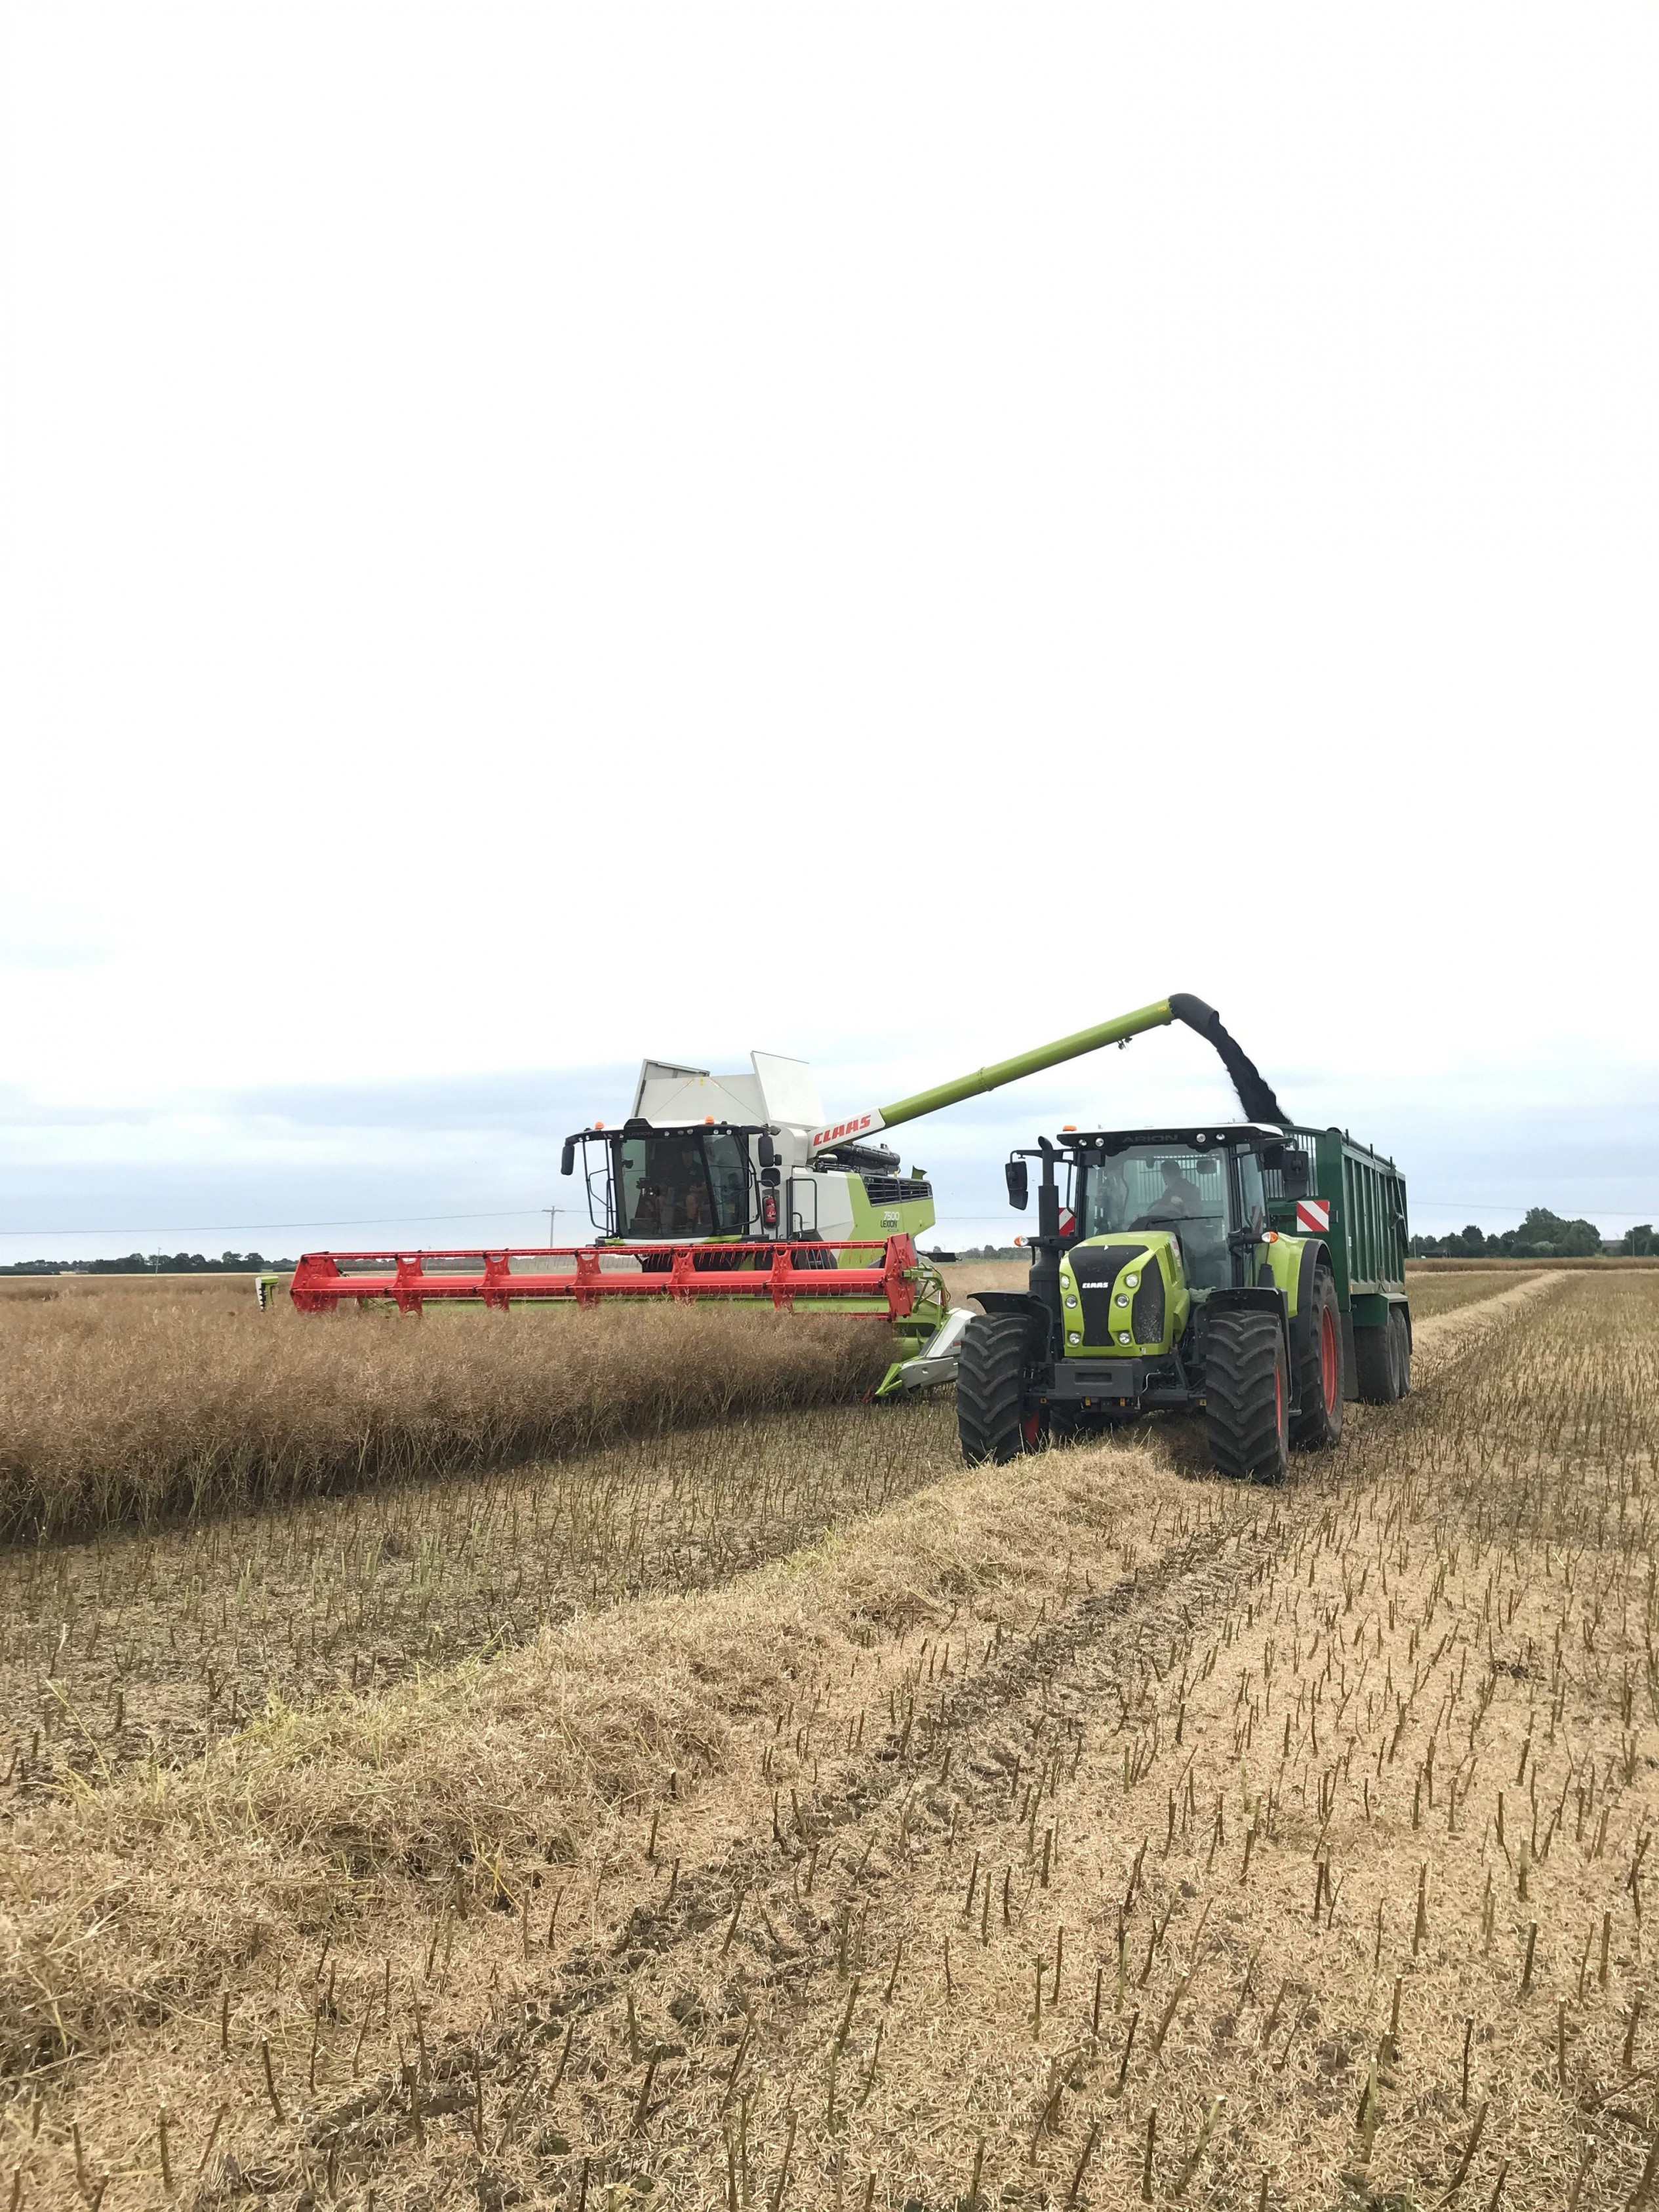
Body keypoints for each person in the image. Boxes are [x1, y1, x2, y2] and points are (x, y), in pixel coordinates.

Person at [1134, 1158, 1203, 1226]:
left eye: (1165, 1174)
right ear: (1180, 1172)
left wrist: (1146, 1217)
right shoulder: (1170, 1192)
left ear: (1165, 1175)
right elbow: (1162, 1206)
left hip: (1187, 1229)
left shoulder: (1187, 1191)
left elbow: (1168, 1211)